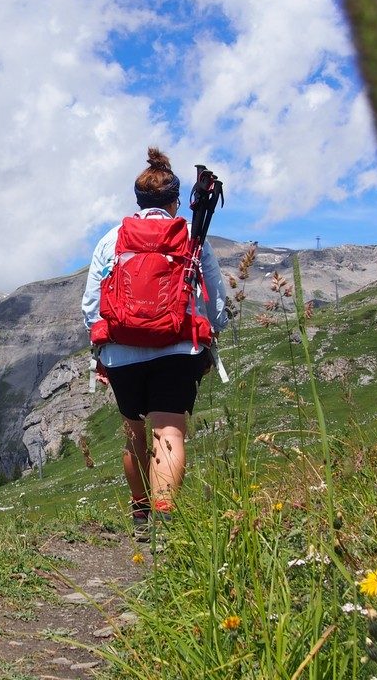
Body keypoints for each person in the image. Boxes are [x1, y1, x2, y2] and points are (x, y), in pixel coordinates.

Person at [81, 147, 228, 540]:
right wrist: (214, 333)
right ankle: (164, 523)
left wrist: (105, 345)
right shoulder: (190, 239)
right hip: (178, 348)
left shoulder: (111, 240)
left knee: (134, 431)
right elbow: (214, 297)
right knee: (170, 433)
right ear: (176, 200)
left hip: (122, 351)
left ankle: (141, 515)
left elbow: (92, 304)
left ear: (138, 199)